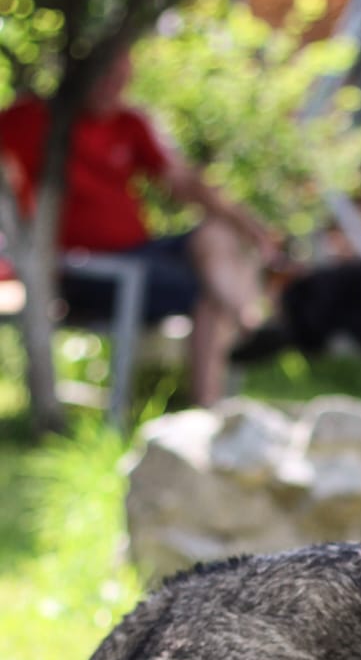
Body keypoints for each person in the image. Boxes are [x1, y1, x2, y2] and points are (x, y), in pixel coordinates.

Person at [0, 49, 278, 406]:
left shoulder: (128, 123)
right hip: (85, 268)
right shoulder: (32, 119)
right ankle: (218, 393)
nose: (112, 88)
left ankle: (244, 323)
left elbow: (184, 182)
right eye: (105, 76)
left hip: (140, 256)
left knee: (217, 235)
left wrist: (250, 226)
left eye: (121, 79)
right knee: (209, 292)